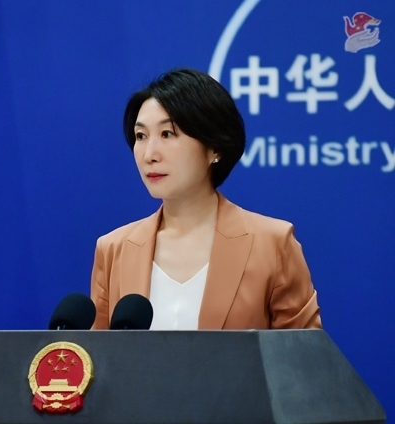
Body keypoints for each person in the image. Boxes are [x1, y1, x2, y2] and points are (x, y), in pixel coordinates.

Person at [90, 68, 321, 330]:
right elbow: (97, 352)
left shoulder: (272, 244)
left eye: (167, 134)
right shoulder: (114, 249)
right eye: (141, 136)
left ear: (214, 148)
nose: (149, 154)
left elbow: (303, 351)